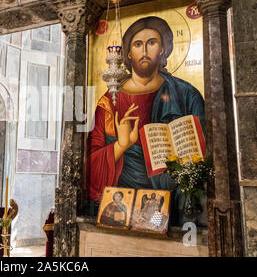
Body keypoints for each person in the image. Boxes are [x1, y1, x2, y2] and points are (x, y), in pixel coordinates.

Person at [86, 16, 205, 222]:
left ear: (163, 49)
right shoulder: (109, 102)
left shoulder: (187, 95)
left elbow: (202, 154)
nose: (144, 51)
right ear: (128, 53)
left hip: (170, 199)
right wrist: (121, 146)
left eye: (152, 43)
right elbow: (91, 162)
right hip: (122, 202)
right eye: (137, 44)